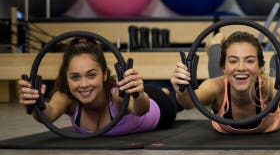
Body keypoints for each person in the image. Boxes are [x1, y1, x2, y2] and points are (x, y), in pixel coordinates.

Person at [17, 37, 177, 135]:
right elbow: (48, 114)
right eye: (75, 77)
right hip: (141, 98)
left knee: (176, 101)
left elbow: (140, 109)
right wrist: (36, 103)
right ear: (66, 78)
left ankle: (164, 92)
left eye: (91, 75)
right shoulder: (67, 97)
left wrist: (139, 94)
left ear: (105, 74)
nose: (84, 84)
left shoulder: (115, 96)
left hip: (158, 106)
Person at [170, 28, 280, 134]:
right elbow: (187, 103)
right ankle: (216, 42)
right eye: (233, 61)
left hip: (259, 86)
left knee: (279, 71)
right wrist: (182, 90)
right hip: (225, 82)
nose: (241, 67)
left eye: (249, 60)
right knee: (219, 70)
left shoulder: (267, 85)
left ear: (260, 66)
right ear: (223, 68)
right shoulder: (216, 86)